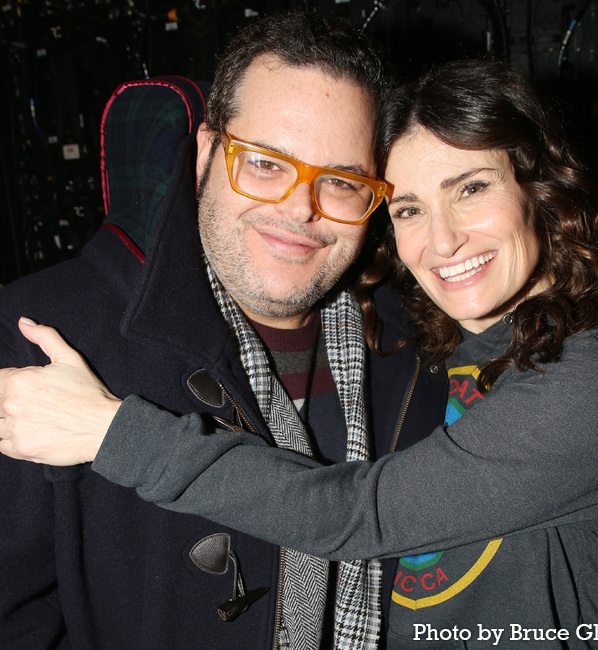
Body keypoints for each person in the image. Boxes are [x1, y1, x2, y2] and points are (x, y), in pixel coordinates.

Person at [2, 59, 598, 649]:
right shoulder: (437, 338)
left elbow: (361, 516)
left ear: (540, 191)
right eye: (410, 209)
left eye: (473, 189)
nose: (444, 241)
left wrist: (113, 433)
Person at [0, 12, 448, 650]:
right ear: (207, 153)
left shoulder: (423, 348)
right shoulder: (36, 339)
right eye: (265, 164)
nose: (300, 209)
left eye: (342, 182)